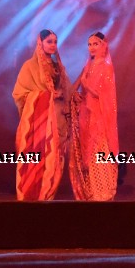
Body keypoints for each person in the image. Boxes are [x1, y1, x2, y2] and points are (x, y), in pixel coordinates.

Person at [13, 29, 71, 201]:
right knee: (37, 161)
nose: (53, 45)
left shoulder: (59, 67)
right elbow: (19, 94)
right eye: (49, 41)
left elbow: (67, 93)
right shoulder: (29, 67)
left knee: (55, 160)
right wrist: (48, 96)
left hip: (57, 120)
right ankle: (33, 198)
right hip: (38, 124)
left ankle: (48, 196)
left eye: (55, 41)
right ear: (41, 43)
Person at [69, 31, 118, 201]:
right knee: (88, 154)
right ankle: (91, 192)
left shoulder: (106, 67)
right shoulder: (88, 66)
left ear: (103, 45)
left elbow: (102, 94)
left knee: (100, 152)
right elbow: (76, 90)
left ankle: (104, 192)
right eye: (89, 44)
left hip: (101, 117)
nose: (91, 47)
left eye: (95, 44)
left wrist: (86, 84)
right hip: (87, 116)